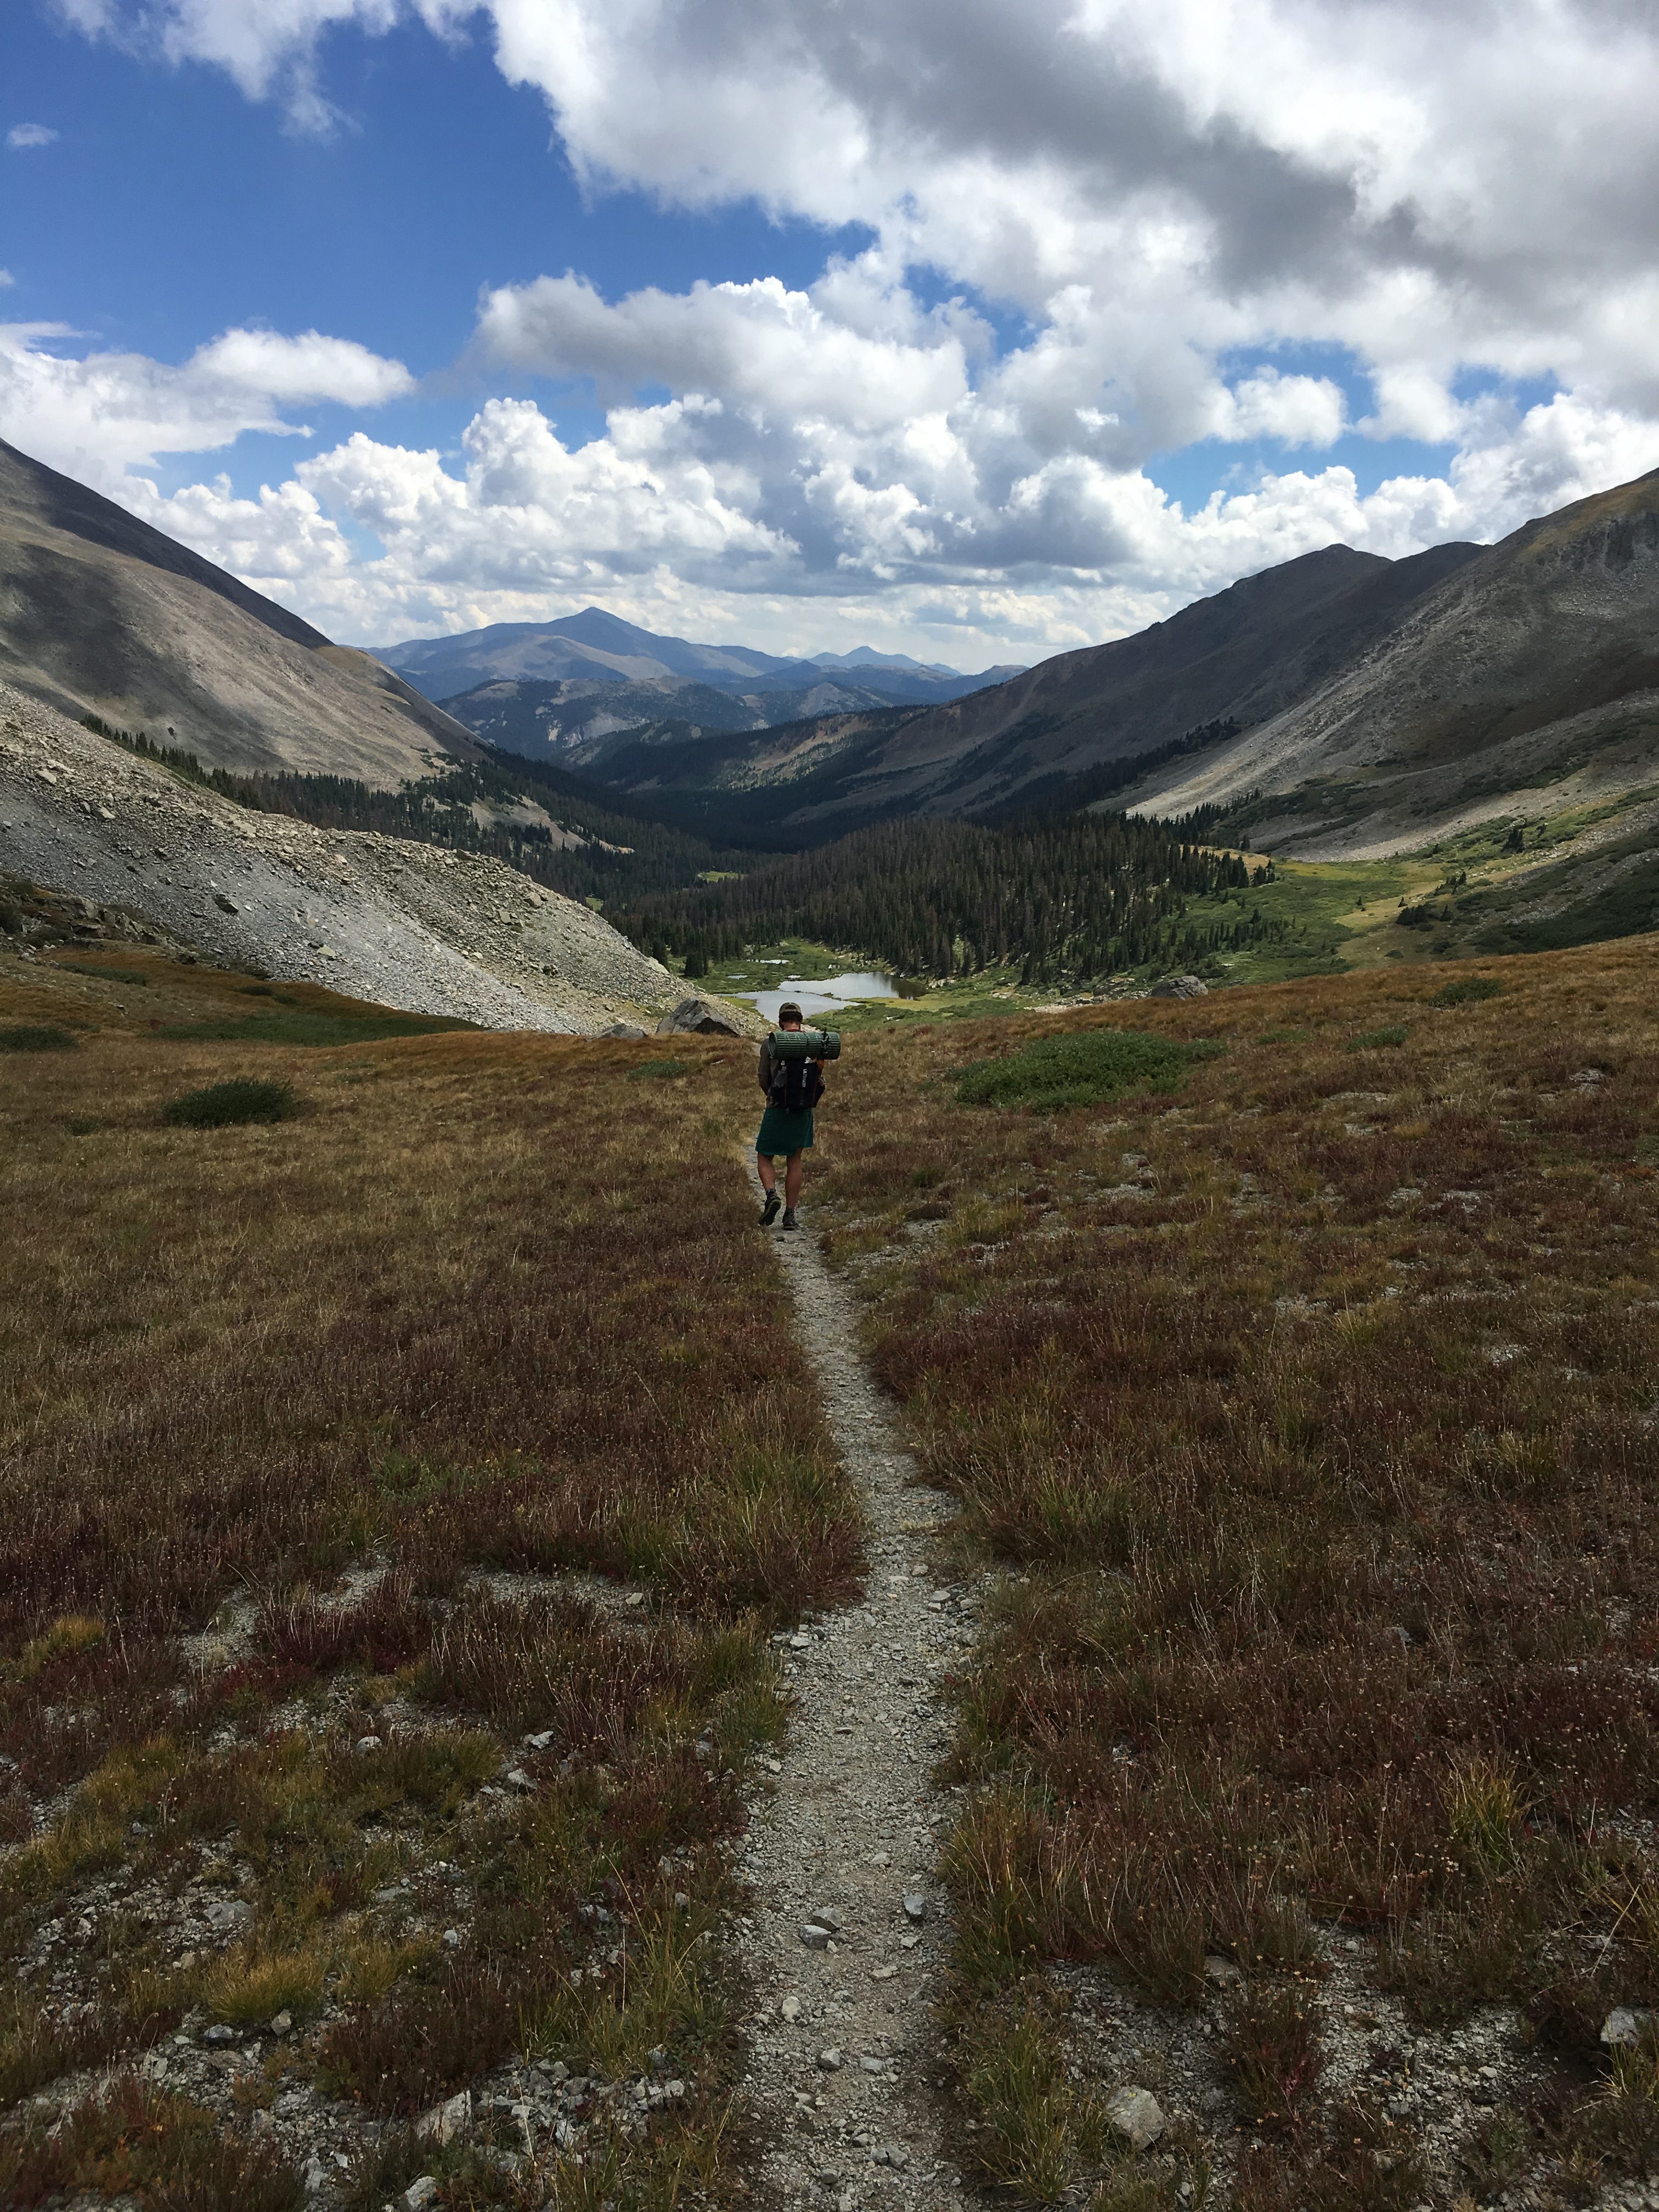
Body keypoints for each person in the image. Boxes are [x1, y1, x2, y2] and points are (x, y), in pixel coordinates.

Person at [757, 1002, 827, 1231]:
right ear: (800, 1019)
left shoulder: (771, 1042)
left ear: (781, 1021)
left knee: (765, 1156)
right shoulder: (812, 1041)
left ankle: (771, 1195)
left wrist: (772, 1096)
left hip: (777, 1107)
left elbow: (763, 1078)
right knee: (794, 1161)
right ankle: (790, 1215)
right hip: (803, 1109)